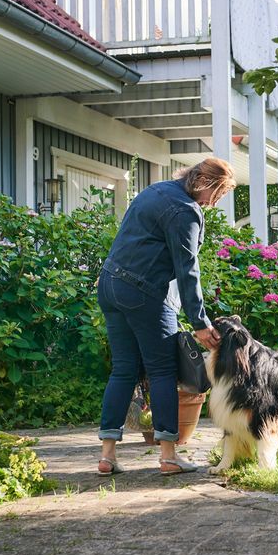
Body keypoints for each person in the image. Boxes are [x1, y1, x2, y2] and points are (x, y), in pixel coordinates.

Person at [95, 157, 235, 476]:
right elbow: (188, 271)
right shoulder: (186, 211)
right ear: (208, 185)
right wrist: (200, 323)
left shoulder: (154, 190)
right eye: (219, 194)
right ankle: (169, 457)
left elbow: (125, 238)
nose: (216, 201)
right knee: (162, 371)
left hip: (110, 284)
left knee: (123, 370)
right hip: (143, 292)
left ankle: (107, 455)